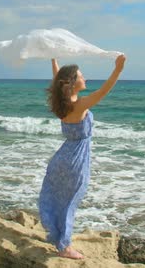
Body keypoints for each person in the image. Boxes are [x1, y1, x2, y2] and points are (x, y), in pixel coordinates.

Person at [38, 54, 126, 259]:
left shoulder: (63, 103)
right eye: (81, 76)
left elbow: (57, 80)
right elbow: (104, 91)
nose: (85, 78)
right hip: (75, 160)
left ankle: (59, 238)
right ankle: (65, 247)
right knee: (69, 202)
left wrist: (54, 61)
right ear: (72, 83)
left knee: (60, 199)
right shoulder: (80, 105)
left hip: (63, 157)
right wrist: (118, 70)